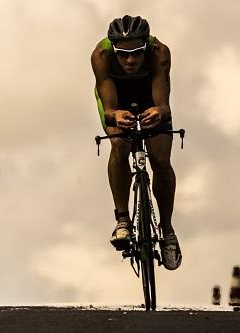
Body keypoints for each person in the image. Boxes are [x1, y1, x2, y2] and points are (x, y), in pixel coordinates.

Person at [91, 15, 182, 270]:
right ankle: (122, 220)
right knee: (119, 145)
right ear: (113, 50)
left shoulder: (159, 53)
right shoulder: (101, 56)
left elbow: (163, 104)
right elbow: (109, 109)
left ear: (146, 47)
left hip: (150, 95)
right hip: (117, 98)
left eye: (136, 53)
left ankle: (167, 231)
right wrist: (115, 115)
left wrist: (160, 112)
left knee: (161, 159)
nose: (129, 60)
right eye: (122, 54)